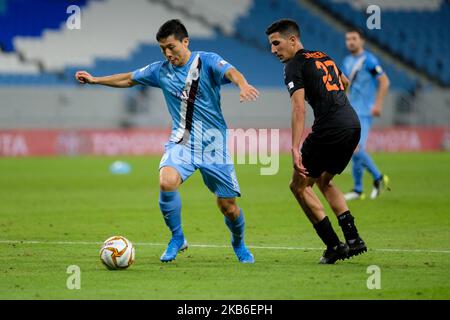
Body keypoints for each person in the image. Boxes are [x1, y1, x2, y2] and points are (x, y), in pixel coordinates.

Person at [75, 19, 259, 263]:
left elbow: (232, 72)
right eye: (162, 48)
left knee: (228, 206)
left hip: (214, 145)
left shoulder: (207, 60)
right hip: (182, 142)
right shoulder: (160, 70)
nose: (167, 53)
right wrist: (96, 80)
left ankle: (239, 243)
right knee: (166, 180)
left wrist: (243, 85)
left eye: (171, 47)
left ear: (185, 41)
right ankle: (177, 237)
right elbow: (129, 79)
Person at [266, 19, 366, 264]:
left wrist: (294, 146)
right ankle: (353, 238)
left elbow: (299, 108)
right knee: (323, 180)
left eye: (276, 43)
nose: (273, 50)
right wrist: (339, 107)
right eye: (270, 45)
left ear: (293, 40)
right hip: (352, 124)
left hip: (329, 128)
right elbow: (345, 83)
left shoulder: (293, 65)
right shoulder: (324, 56)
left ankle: (334, 246)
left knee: (298, 186)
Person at [342, 29, 390, 201]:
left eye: (354, 38)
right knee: (353, 150)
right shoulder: (347, 60)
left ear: (362, 41)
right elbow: (345, 85)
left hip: (364, 111)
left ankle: (378, 178)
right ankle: (358, 189)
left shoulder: (369, 60)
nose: (350, 42)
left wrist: (377, 104)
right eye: (348, 39)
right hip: (351, 110)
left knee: (354, 148)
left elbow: (384, 81)